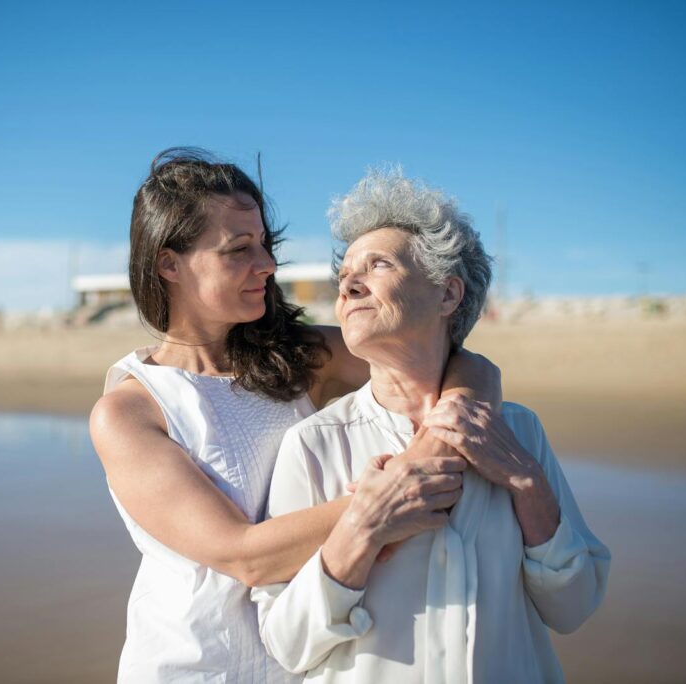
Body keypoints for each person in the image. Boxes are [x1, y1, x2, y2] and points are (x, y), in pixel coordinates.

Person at [89, 149, 501, 682]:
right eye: (239, 249)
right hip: (189, 667)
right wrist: (387, 499)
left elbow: (457, 359)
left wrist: (441, 441)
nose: (266, 264)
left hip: (306, 659)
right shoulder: (129, 411)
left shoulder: (297, 358)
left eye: (264, 243)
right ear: (169, 264)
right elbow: (244, 558)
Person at [252, 169, 611, 683]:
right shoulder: (313, 443)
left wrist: (528, 484)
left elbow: (574, 607)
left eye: (378, 265)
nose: (350, 284)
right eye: (345, 274)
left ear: (448, 295)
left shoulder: (518, 432)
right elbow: (287, 645)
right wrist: (362, 528)